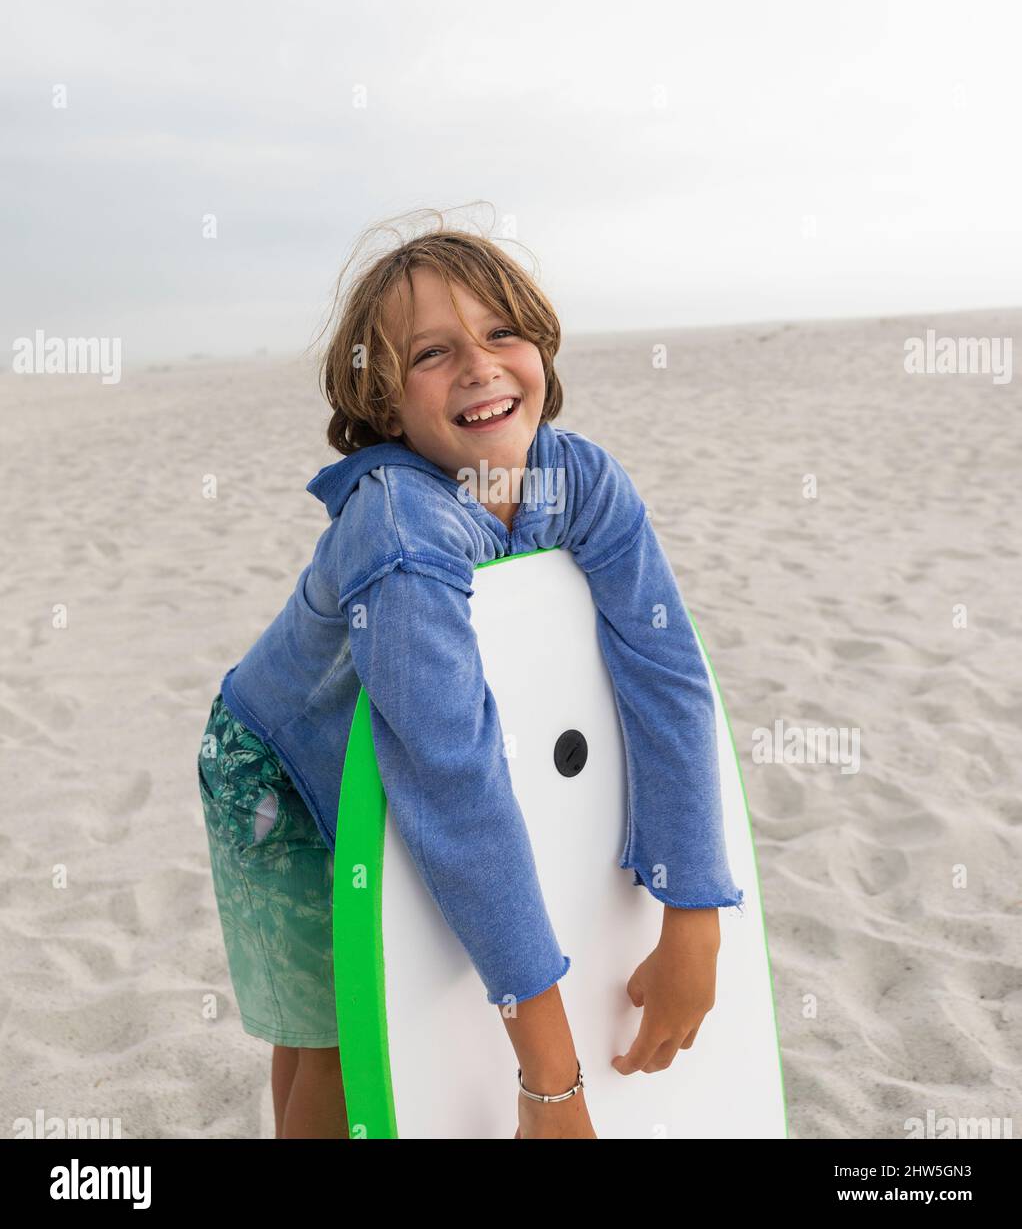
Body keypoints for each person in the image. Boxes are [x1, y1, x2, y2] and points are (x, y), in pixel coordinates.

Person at [195, 210, 743, 1139]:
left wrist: (694, 907)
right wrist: (553, 1086)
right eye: (432, 354)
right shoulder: (401, 531)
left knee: (338, 1024)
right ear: (386, 407)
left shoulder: (580, 482)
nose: (481, 366)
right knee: (343, 1038)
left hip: (395, 747)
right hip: (274, 772)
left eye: (500, 333)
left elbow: (666, 672)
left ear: (541, 348)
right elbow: (453, 779)